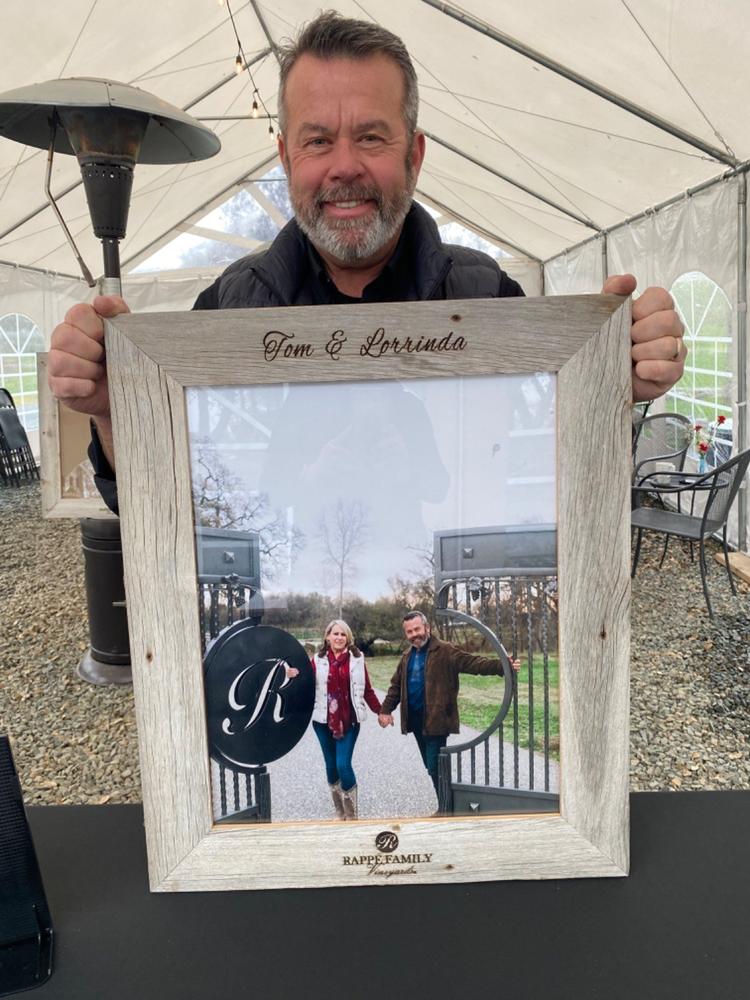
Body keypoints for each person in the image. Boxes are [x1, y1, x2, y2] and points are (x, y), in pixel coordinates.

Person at [47, 11, 687, 514]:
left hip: (426, 594)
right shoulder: (231, 307)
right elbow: (173, 501)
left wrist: (614, 385)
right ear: (286, 158)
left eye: (372, 137)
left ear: (415, 154)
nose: (344, 165)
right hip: (293, 611)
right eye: (318, 139)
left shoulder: (488, 294)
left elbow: (548, 478)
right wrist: (109, 410)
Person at [378, 611, 517, 803]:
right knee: (431, 766)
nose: (414, 634)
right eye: (409, 631)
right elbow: (396, 686)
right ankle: (448, 804)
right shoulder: (407, 656)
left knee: (435, 767)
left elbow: (473, 663)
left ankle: (446, 807)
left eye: (417, 629)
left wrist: (503, 665)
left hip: (437, 720)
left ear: (426, 628)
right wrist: (385, 710)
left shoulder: (444, 650)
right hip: (416, 721)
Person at [308, 619, 382, 820]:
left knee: (343, 764)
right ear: (327, 637)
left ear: (348, 638)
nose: (339, 637)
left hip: (348, 721)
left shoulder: (357, 659)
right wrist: (290, 674)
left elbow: (366, 689)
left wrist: (380, 711)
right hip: (322, 722)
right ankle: (339, 811)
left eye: (343, 634)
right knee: (331, 766)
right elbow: (303, 684)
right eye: (335, 634)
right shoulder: (317, 660)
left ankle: (352, 815)